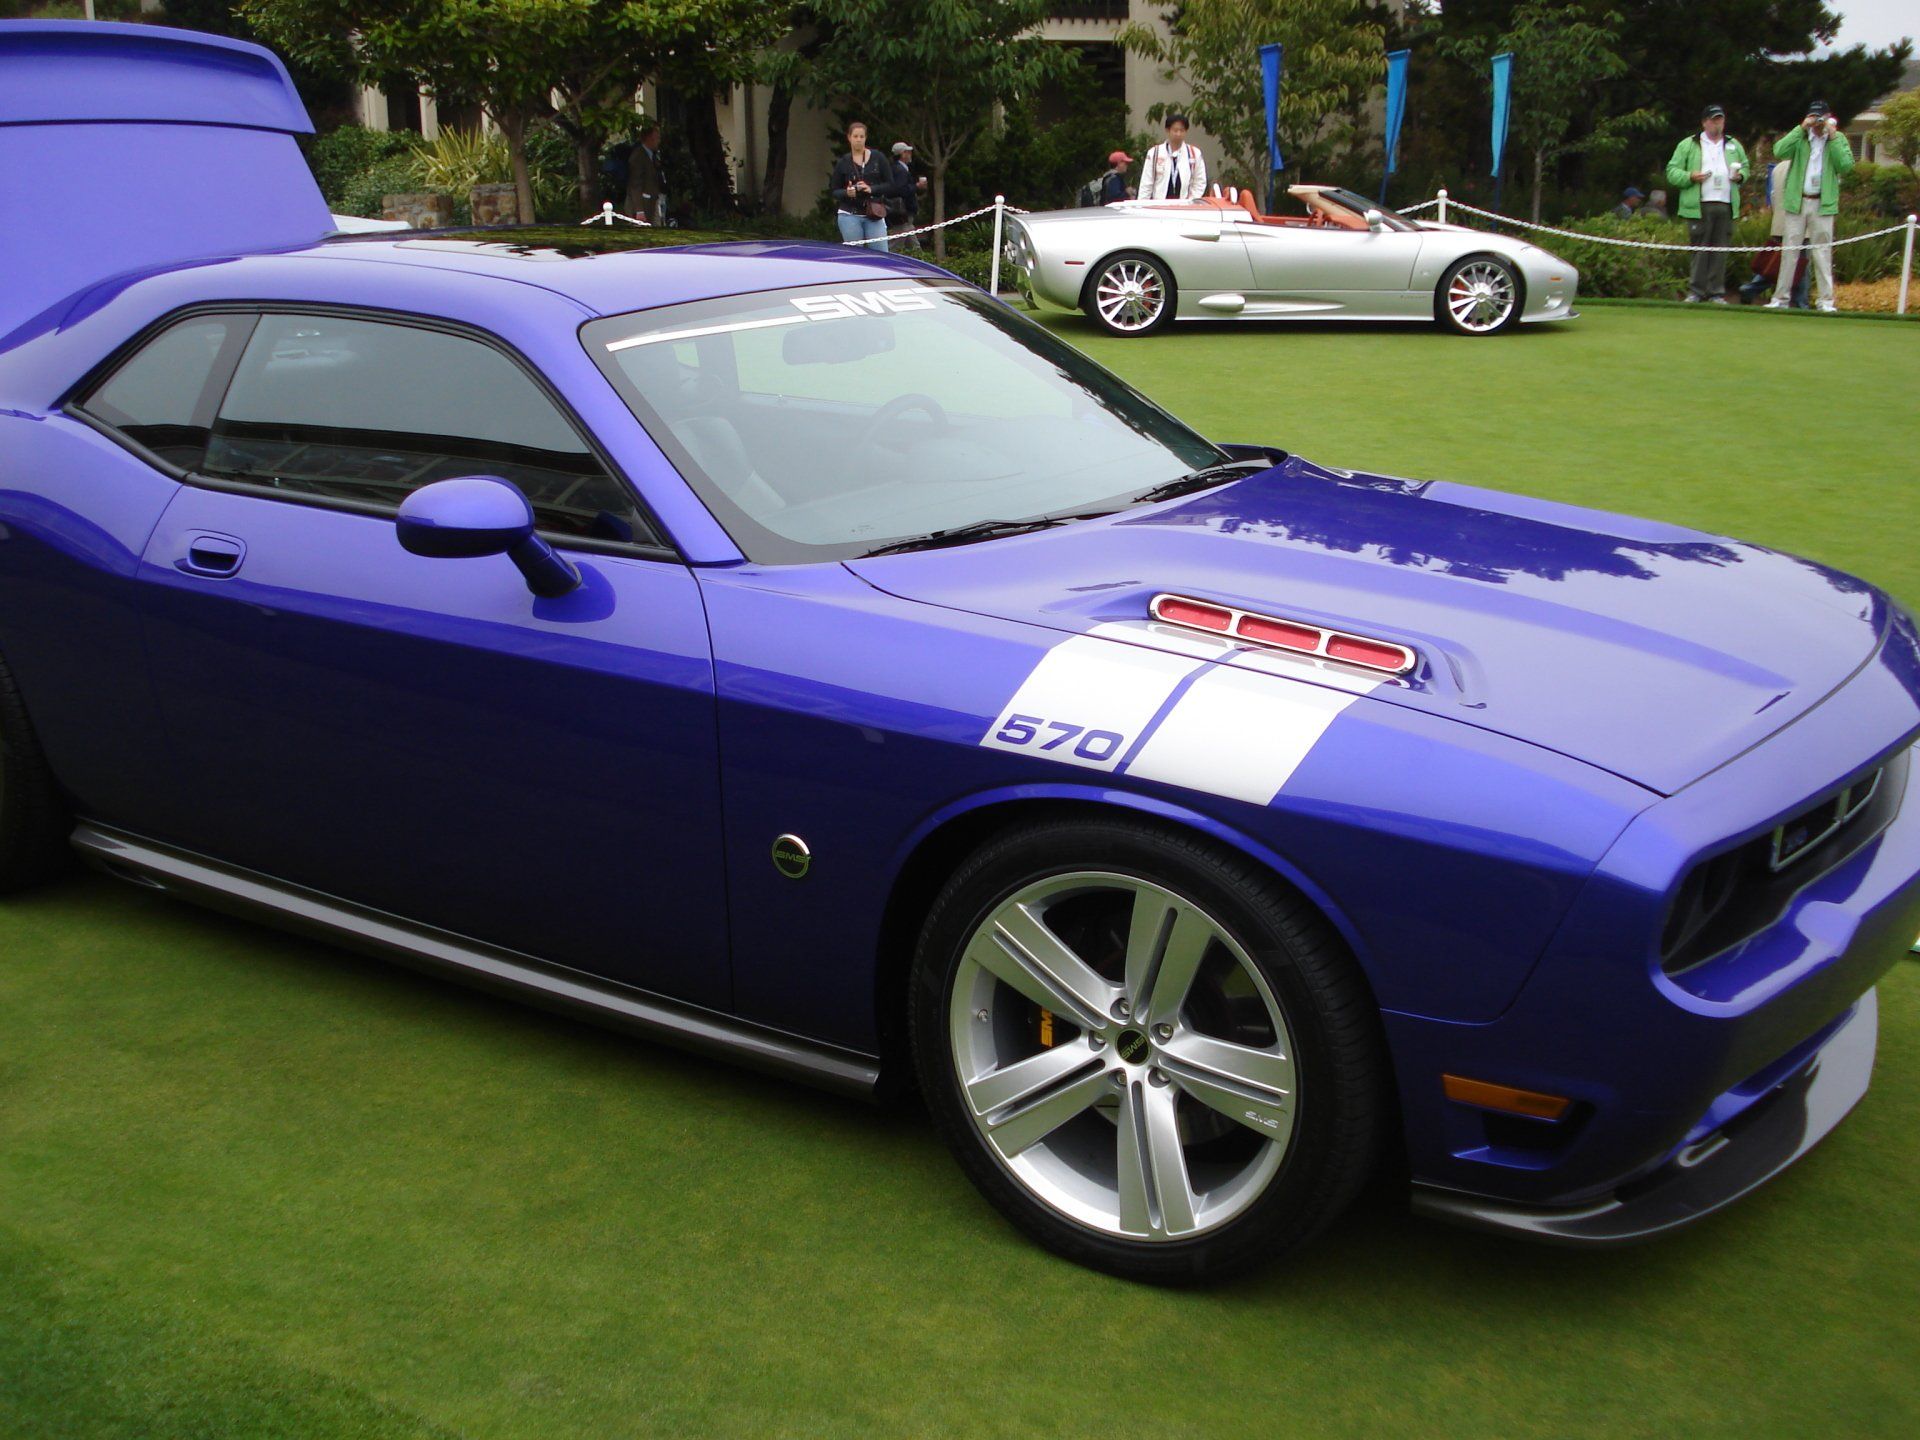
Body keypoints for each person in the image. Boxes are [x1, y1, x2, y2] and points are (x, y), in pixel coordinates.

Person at [1768, 100, 1854, 313]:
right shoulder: (1801, 138)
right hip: (1797, 201)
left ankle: (1826, 301)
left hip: (1822, 203)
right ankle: (1780, 298)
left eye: (1820, 118)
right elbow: (1779, 150)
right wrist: (1801, 128)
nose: (1817, 122)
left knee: (1822, 252)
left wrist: (1832, 137)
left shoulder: (1838, 139)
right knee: (1790, 251)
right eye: (1814, 118)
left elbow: (1845, 165)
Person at [1665, 104, 1748, 303]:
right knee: (1700, 248)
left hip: (1726, 203)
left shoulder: (1733, 144)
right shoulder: (1689, 144)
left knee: (1720, 249)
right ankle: (1696, 291)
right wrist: (1690, 176)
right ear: (1704, 122)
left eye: (1720, 119)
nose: (1717, 123)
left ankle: (1716, 292)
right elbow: (1672, 171)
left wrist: (1741, 176)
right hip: (1699, 204)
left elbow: (1746, 167)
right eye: (1713, 120)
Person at [1740, 158, 1810, 306]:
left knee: (1780, 262)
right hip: (1798, 222)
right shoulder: (1804, 167)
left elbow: (1772, 195)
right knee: (1800, 265)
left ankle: (1752, 288)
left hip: (1780, 221)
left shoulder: (1779, 168)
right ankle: (1800, 302)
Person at [830, 120, 901, 251]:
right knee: (854, 255)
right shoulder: (843, 162)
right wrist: (847, 192)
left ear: (866, 138)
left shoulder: (878, 158)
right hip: (850, 214)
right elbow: (834, 190)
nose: (858, 140)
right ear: (849, 138)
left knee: (881, 254)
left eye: (861, 137)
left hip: (874, 213)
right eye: (855, 136)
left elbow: (891, 185)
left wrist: (871, 189)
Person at [1139, 115, 1206, 202]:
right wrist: (1141, 205)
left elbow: (1200, 181)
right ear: (1168, 130)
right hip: (1159, 206)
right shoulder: (1155, 153)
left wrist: (1191, 201)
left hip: (1184, 206)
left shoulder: (1194, 153)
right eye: (1175, 130)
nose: (1178, 134)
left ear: (1186, 131)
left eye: (1181, 130)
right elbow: (1146, 182)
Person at [888, 141, 929, 250]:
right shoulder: (900, 170)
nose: (910, 154)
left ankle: (920, 259)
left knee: (914, 245)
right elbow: (901, 190)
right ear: (902, 154)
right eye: (907, 152)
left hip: (904, 215)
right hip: (903, 213)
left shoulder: (898, 169)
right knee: (896, 245)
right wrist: (917, 186)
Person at [624, 125, 666, 226]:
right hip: (642, 204)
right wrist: (639, 210)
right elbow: (635, 184)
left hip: (653, 202)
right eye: (656, 138)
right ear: (649, 139)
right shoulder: (638, 156)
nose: (658, 141)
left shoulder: (652, 155)